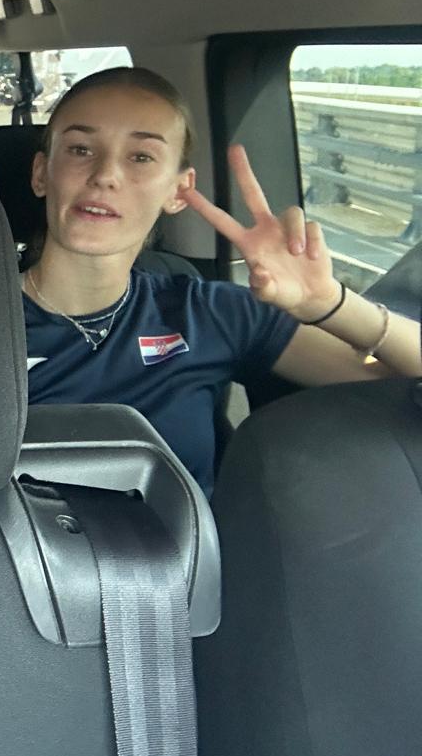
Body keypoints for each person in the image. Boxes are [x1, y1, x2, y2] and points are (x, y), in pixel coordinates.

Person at [23, 66, 422, 494]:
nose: (105, 175)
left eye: (140, 157)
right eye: (81, 149)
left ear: (179, 190)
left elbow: (400, 382)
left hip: (189, 539)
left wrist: (328, 303)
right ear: (42, 173)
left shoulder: (210, 313)